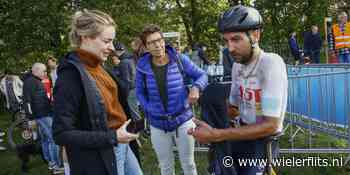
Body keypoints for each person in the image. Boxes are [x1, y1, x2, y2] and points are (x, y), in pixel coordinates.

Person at [188, 5, 288, 175]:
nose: (230, 48)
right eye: (226, 41)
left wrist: (217, 134)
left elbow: (270, 126)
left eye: (236, 39)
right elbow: (234, 108)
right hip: (241, 135)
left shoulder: (271, 64)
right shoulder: (237, 66)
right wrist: (211, 113)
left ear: (255, 35)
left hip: (262, 145)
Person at [52, 9, 142, 175]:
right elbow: (61, 134)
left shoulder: (100, 67)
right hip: (102, 155)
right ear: (85, 37)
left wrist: (125, 134)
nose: (112, 48)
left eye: (112, 41)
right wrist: (113, 137)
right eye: (107, 41)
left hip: (123, 145)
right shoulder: (70, 77)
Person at [135, 24, 208, 175]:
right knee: (165, 166)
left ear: (163, 40)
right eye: (151, 42)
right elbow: (140, 93)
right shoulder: (141, 67)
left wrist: (196, 88)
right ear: (146, 47)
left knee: (188, 164)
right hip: (157, 124)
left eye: (159, 40)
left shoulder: (179, 59)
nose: (157, 45)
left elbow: (202, 75)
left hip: (183, 120)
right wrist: (149, 108)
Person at [23, 63, 63, 174]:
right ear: (35, 70)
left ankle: (49, 161)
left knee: (45, 139)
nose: (45, 73)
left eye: (46, 71)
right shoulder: (30, 82)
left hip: (44, 113)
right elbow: (27, 101)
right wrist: (30, 118)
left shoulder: (35, 80)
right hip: (42, 115)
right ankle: (55, 165)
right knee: (53, 139)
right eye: (44, 71)